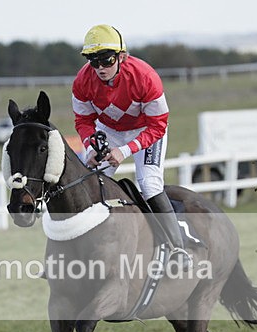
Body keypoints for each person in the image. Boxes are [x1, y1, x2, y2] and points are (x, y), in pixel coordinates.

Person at [72, 24, 192, 271]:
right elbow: (83, 120)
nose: (100, 68)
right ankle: (75, 249)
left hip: (146, 130)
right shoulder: (82, 81)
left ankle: (178, 249)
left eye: (106, 60)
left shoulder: (145, 77)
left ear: (122, 56)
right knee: (87, 183)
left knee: (149, 184)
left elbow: (158, 125)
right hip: (109, 130)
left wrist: (125, 150)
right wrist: (90, 146)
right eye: (93, 61)